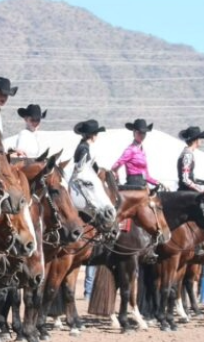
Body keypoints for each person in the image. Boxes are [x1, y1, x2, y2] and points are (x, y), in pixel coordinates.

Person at [72, 119, 106, 300]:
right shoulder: (84, 148)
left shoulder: (82, 147)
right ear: (93, 135)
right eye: (96, 133)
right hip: (81, 186)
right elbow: (85, 169)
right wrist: (99, 171)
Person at [112, 119, 158, 188]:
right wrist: (117, 180)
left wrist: (157, 182)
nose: (142, 135)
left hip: (143, 184)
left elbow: (146, 175)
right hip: (133, 184)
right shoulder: (130, 149)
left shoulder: (142, 151)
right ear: (134, 132)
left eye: (144, 133)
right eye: (140, 132)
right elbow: (115, 167)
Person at [176, 126, 204, 192]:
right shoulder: (187, 155)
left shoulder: (188, 153)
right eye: (200, 138)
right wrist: (199, 189)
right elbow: (185, 179)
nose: (201, 140)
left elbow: (190, 177)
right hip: (186, 191)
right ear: (196, 140)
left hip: (187, 189)